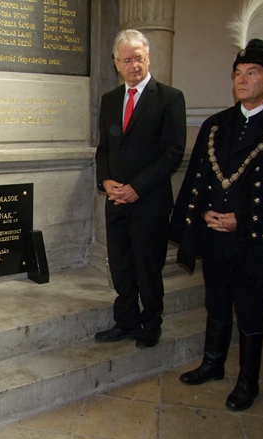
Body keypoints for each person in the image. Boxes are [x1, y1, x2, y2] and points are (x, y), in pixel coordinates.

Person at [170, 38, 263, 411]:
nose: (242, 80)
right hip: (215, 238)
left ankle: (249, 382)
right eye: (237, 73)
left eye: (252, 73)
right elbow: (198, 180)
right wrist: (202, 214)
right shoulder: (217, 125)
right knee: (216, 302)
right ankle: (213, 364)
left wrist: (243, 220)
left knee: (249, 311)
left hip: (257, 243)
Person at [94, 29, 186, 349]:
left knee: (147, 268)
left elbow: (172, 153)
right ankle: (126, 322)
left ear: (148, 59)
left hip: (149, 202)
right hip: (116, 200)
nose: (134, 65)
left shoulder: (169, 98)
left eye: (140, 58)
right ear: (116, 63)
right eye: (127, 60)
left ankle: (151, 324)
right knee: (121, 265)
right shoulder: (110, 100)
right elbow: (104, 149)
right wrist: (106, 181)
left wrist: (137, 188)